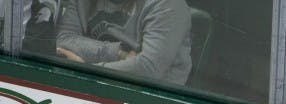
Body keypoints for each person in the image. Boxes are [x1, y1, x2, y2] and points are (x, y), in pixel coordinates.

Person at [56, 0, 192, 86]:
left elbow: (149, 68)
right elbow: (64, 39)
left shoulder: (168, 4)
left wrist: (86, 72)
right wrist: (118, 53)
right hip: (91, 90)